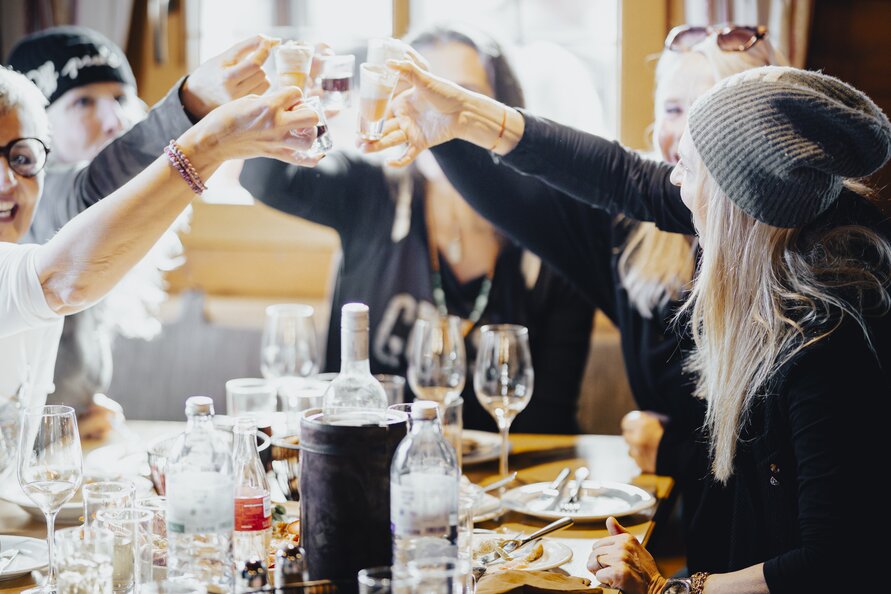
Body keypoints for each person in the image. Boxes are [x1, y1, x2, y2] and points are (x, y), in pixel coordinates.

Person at [363, 56, 891, 592]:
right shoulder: (795, 219)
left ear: (736, 198)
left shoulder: (828, 337)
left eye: (686, 167)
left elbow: (833, 561)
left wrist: (674, 589)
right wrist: (460, 119)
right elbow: (619, 176)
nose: (670, 180)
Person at [417, 27, 783, 570]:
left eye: (708, 111)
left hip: (768, 565)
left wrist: (676, 450)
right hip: (696, 558)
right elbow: (513, 196)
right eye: (673, 109)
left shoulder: (788, 264)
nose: (683, 137)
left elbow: (783, 469)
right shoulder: (630, 242)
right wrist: (431, 121)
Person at [240, 26, 594, 434]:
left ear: (502, 114)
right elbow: (263, 178)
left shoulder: (548, 240)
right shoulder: (372, 195)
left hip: (498, 480)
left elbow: (553, 420)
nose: (432, 112)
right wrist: (299, 102)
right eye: (413, 93)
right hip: (364, 468)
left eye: (458, 94)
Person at [6, 26, 277, 437]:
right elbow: (93, 189)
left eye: (119, 98)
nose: (115, 120)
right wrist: (194, 114)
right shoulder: (39, 203)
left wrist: (76, 417)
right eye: (83, 102)